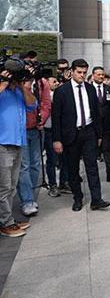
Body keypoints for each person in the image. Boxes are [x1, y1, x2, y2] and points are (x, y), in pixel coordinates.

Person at [51, 59, 110, 212]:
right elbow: (56, 117)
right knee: (73, 169)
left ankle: (96, 199)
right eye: (79, 72)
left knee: (92, 166)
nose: (82, 75)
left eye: (84, 72)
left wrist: (98, 135)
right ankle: (77, 198)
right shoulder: (61, 91)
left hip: (89, 132)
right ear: (71, 71)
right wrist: (57, 139)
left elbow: (96, 114)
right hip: (70, 135)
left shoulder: (90, 89)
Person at [0, 60, 36, 237]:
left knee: (12, 186)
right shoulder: (3, 89)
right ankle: (5, 223)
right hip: (2, 143)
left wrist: (22, 86)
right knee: (4, 186)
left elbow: (32, 105)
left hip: (18, 142)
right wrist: (3, 82)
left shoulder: (18, 91)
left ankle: (9, 219)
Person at [17, 61, 50, 216]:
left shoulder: (42, 83)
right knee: (23, 166)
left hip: (36, 130)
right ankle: (27, 200)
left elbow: (45, 104)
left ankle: (28, 193)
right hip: (19, 131)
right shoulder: (15, 83)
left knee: (36, 164)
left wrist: (41, 119)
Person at [92, 66, 110, 184]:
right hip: (92, 126)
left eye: (102, 74)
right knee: (91, 152)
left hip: (107, 125)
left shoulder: (109, 89)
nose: (101, 76)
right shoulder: (88, 89)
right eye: (98, 74)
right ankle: (92, 176)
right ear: (93, 75)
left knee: (107, 150)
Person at [42, 75, 62, 197]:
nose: (57, 83)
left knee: (64, 159)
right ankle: (53, 184)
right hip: (49, 130)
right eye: (54, 81)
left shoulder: (61, 94)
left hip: (62, 130)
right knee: (51, 159)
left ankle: (64, 182)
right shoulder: (46, 96)